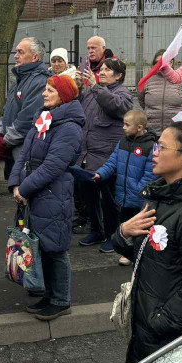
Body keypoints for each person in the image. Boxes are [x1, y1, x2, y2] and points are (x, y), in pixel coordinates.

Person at [111, 122, 182, 363]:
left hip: (167, 337)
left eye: (162, 147)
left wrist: (159, 322)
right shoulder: (161, 197)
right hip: (147, 330)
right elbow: (148, 255)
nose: (154, 152)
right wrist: (122, 233)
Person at [9, 74, 85, 321]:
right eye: (45, 88)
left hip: (53, 194)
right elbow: (24, 155)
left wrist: (25, 188)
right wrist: (15, 183)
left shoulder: (70, 127)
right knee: (40, 245)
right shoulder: (45, 119)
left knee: (56, 248)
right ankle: (48, 295)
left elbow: (53, 166)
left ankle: (61, 300)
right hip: (35, 193)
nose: (44, 93)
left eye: (50, 89)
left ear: (63, 95)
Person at [78, 55, 133, 248]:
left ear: (118, 76)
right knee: (89, 196)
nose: (102, 72)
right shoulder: (90, 91)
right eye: (101, 69)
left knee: (109, 199)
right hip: (87, 154)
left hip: (106, 155)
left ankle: (112, 236)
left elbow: (119, 108)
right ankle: (96, 231)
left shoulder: (123, 93)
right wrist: (77, 87)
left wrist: (95, 88)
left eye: (107, 70)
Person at [94, 109, 157, 259]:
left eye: (127, 125)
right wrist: (100, 174)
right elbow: (112, 162)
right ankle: (128, 253)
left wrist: (136, 190)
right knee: (126, 223)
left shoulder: (152, 146)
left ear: (140, 127)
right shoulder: (122, 143)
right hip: (124, 197)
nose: (123, 127)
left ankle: (139, 253)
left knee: (140, 227)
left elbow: (151, 174)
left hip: (138, 198)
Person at [0, 37, 50, 180]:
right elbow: (6, 111)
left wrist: (5, 141)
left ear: (35, 57)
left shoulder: (41, 82)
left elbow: (27, 119)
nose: (15, 56)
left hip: (26, 152)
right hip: (13, 151)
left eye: (21, 52)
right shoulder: (19, 80)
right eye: (16, 52)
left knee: (24, 193)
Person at [139, 49, 182, 137]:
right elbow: (141, 100)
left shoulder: (181, 80)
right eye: (158, 62)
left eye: (165, 61)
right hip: (151, 131)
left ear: (172, 62)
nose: (161, 65)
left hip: (175, 132)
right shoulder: (147, 80)